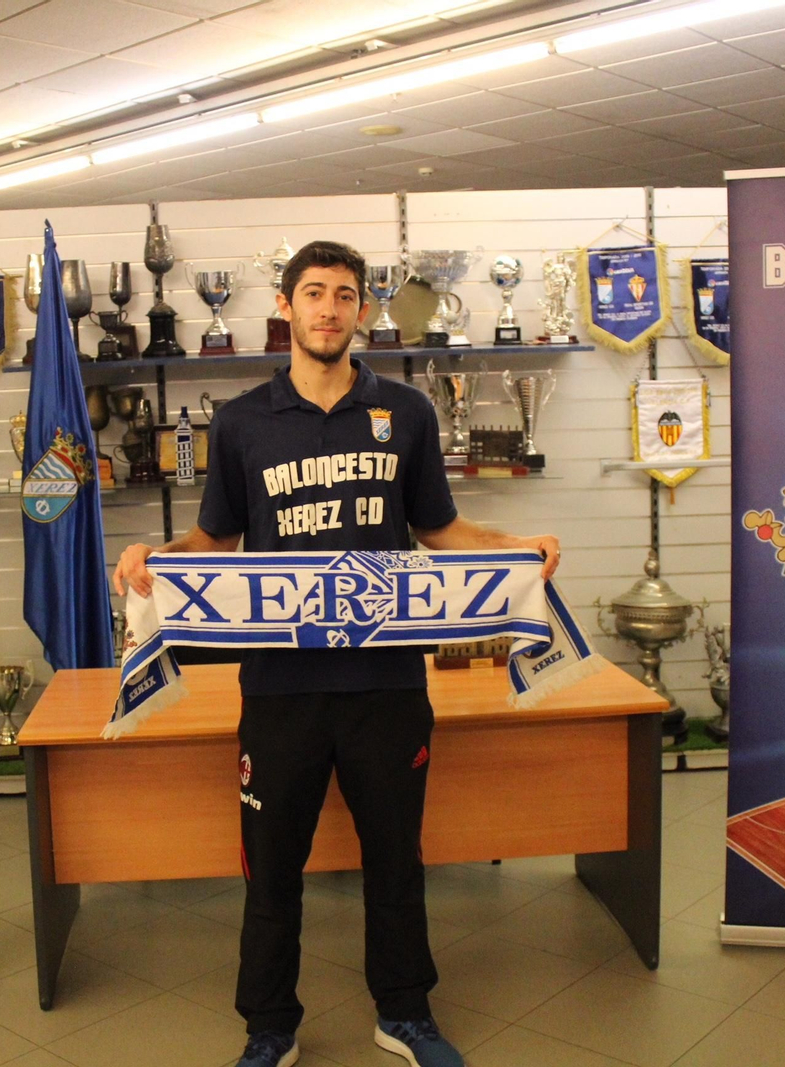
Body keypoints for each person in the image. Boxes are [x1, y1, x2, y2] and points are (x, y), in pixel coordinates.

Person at [113, 241, 560, 1067]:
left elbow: (440, 529)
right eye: (313, 293)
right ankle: (269, 1024)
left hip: (386, 681)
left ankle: (406, 1012)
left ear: (361, 310)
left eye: (344, 295)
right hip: (281, 687)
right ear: (285, 306)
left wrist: (514, 548)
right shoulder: (244, 419)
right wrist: (156, 557)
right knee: (272, 866)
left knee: (397, 857)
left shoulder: (409, 412)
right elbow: (216, 538)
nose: (329, 309)